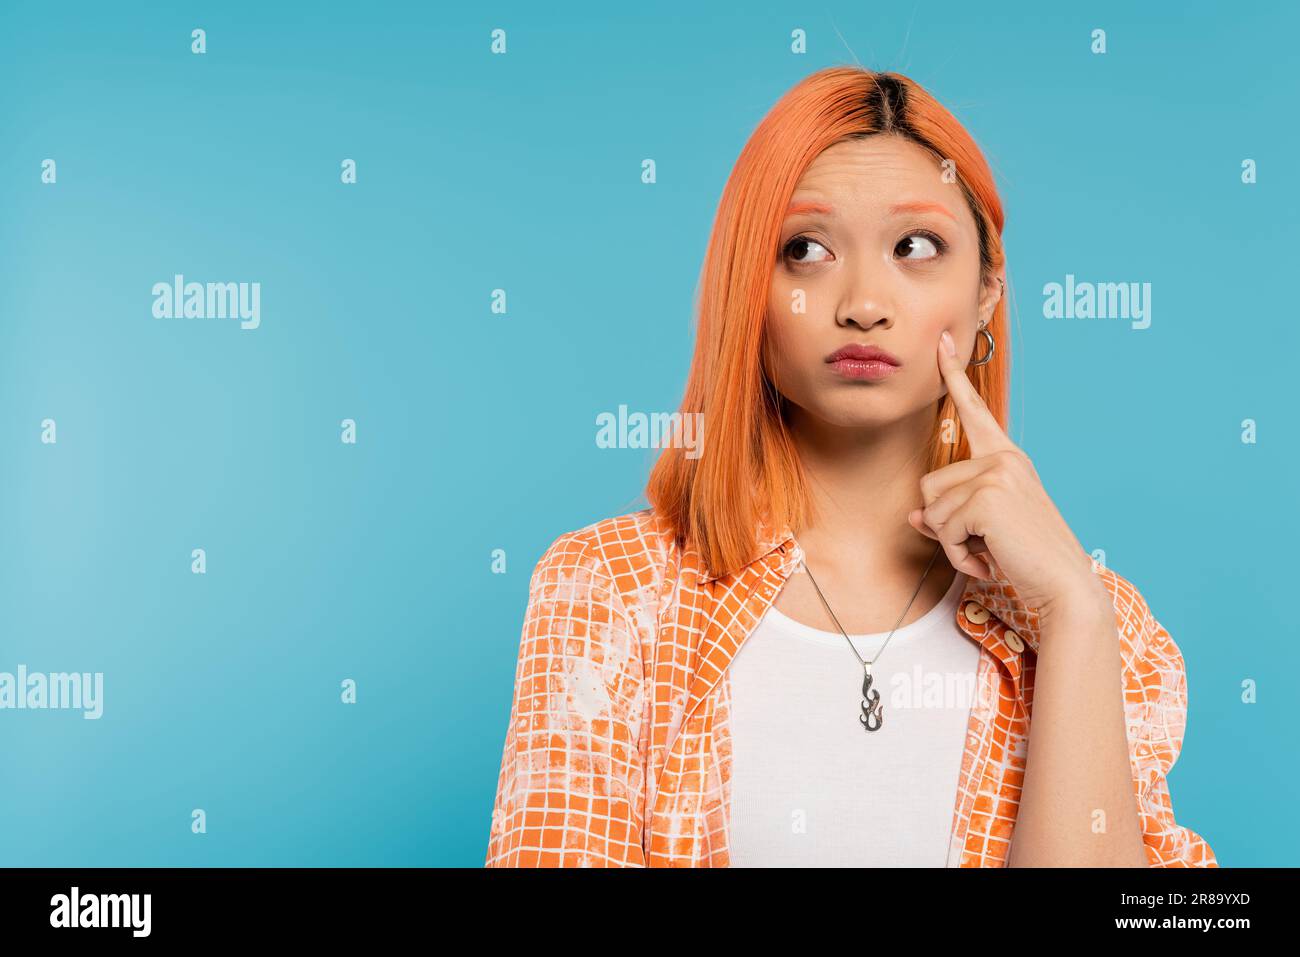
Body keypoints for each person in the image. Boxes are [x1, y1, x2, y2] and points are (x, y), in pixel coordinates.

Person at [484, 67, 1217, 868]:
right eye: (806, 249)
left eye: (915, 247)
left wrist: (1075, 615)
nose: (863, 301)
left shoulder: (1106, 628)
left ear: (984, 296)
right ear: (748, 293)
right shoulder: (611, 593)